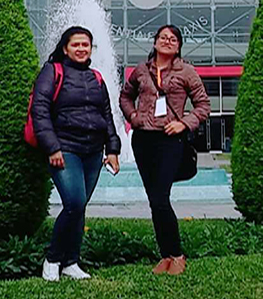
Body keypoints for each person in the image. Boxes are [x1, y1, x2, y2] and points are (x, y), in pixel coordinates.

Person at [31, 26, 121, 282]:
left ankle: (71, 261)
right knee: (74, 203)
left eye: (86, 45)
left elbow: (107, 115)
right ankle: (52, 258)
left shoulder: (97, 78)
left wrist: (113, 149)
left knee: (79, 208)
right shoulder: (53, 71)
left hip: (93, 151)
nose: (81, 49)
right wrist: (52, 147)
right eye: (76, 45)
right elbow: (40, 110)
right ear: (65, 48)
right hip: (65, 148)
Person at [119, 24, 210, 276]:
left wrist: (184, 123)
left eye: (172, 39)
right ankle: (166, 256)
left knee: (160, 198)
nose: (167, 41)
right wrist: (133, 116)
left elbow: (203, 105)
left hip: (171, 141)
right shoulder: (141, 70)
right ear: (155, 41)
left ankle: (177, 254)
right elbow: (125, 97)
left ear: (179, 45)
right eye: (163, 37)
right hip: (143, 139)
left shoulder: (187, 71)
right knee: (154, 200)